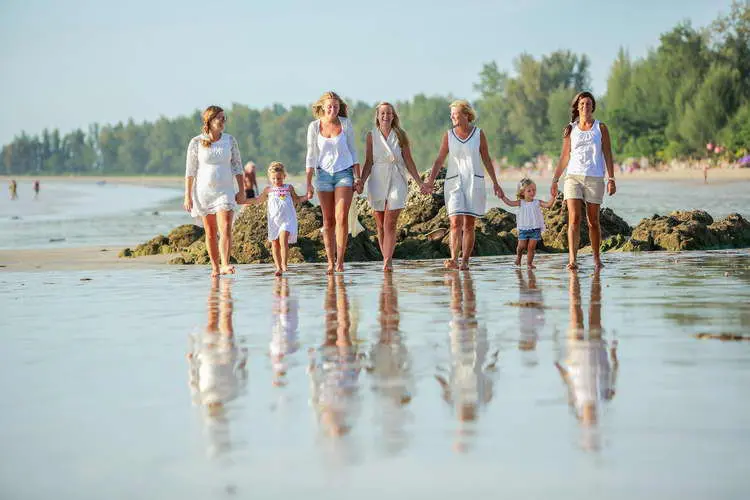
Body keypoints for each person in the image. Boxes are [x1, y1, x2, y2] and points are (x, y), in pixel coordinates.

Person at [424, 100, 504, 270]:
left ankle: (465, 261)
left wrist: (496, 183)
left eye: (455, 114)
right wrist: (430, 181)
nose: (452, 117)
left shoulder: (478, 134)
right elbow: (439, 160)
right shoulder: (448, 135)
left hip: (474, 182)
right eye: (451, 114)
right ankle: (454, 259)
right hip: (454, 183)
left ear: (466, 115)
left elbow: (486, 159)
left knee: (469, 224)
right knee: (455, 222)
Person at [550, 91, 616, 270]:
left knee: (593, 221)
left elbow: (607, 153)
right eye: (582, 104)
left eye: (588, 104)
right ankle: (572, 260)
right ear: (577, 107)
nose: (585, 107)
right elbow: (564, 156)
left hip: (595, 177)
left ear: (592, 107)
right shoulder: (570, 129)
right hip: (573, 177)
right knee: (574, 219)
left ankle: (596, 259)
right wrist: (555, 180)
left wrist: (611, 178)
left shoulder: (601, 128)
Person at [555, 270, 619, 451]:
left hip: (585, 354)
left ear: (582, 419)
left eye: (589, 421)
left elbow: (568, 383)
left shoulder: (575, 402)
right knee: (581, 309)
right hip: (589, 352)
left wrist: (560, 367)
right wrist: (613, 353)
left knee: (587, 308)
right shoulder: (605, 398)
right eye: (593, 420)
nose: (591, 418)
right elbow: (614, 371)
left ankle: (584, 277)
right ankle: (577, 276)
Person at [360, 102, 426, 272]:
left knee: (390, 222)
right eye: (382, 113)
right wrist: (361, 181)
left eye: (389, 113)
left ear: (393, 115)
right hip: (377, 179)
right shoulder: (371, 136)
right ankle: (385, 258)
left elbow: (409, 160)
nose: (386, 116)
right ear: (377, 116)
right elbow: (368, 162)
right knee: (380, 225)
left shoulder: (400, 135)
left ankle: (388, 261)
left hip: (397, 178)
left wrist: (419, 182)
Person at [187, 278, 248, 457]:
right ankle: (223, 289)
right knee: (219, 319)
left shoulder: (200, 400)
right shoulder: (229, 397)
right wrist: (244, 357)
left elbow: (192, 379)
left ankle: (222, 288)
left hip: (214, 356)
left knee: (219, 319)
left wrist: (191, 357)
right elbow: (242, 376)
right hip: (221, 356)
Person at [184, 105, 246, 277]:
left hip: (225, 191)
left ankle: (225, 264)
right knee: (210, 232)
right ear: (209, 120)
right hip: (203, 192)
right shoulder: (196, 142)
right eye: (219, 117)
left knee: (225, 227)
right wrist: (187, 196)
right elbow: (190, 171)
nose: (222, 121)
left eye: (224, 118)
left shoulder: (230, 140)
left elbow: (237, 166)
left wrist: (242, 190)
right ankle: (215, 267)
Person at [305, 91, 362, 274]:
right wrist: (308, 183)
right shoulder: (314, 127)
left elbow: (353, 151)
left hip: (344, 173)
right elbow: (310, 155)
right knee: (328, 220)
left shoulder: (345, 124)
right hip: (322, 175)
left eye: (336, 106)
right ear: (323, 107)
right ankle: (330, 261)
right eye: (329, 106)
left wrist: (358, 178)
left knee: (341, 217)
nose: (333, 109)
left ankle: (340, 261)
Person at [247, 162, 307, 276]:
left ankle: (284, 264)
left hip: (287, 219)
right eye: (273, 178)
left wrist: (307, 196)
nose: (276, 181)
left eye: (279, 178)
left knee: (283, 239)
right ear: (270, 178)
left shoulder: (288, 188)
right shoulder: (268, 190)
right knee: (275, 243)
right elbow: (258, 200)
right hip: (274, 221)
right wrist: (244, 201)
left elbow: (297, 199)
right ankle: (278, 267)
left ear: (284, 176)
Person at [501, 177, 554, 268]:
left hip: (535, 228)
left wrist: (553, 196)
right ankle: (518, 258)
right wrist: (502, 197)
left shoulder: (537, 202)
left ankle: (529, 263)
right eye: (529, 191)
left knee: (531, 248)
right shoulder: (521, 202)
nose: (532, 192)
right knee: (521, 246)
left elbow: (548, 205)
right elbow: (510, 203)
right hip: (523, 228)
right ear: (522, 192)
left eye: (534, 190)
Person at [270, 277, 300, 387]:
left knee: (280, 306)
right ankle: (282, 281)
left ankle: (282, 280)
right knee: (281, 307)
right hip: (283, 330)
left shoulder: (285, 358)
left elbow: (296, 345)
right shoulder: (284, 358)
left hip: (283, 331)